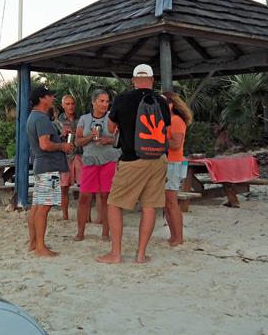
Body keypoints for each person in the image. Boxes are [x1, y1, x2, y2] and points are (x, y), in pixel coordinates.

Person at [97, 64, 171, 264]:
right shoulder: (162, 102)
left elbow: (111, 128)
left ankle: (116, 253)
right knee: (149, 206)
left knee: (114, 203)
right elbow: (167, 130)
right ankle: (140, 255)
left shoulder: (122, 99)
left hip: (132, 159)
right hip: (158, 159)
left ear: (133, 80)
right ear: (152, 80)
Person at [26, 87, 73, 257]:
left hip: (40, 165)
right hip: (49, 168)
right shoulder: (42, 119)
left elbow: (43, 143)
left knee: (37, 206)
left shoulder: (33, 117)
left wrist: (59, 137)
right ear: (42, 98)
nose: (53, 97)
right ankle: (40, 247)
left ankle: (34, 244)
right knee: (44, 207)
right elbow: (45, 145)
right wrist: (62, 145)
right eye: (50, 95)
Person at [74, 89, 120, 241]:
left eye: (107, 101)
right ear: (93, 102)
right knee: (84, 197)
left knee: (106, 196)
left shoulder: (112, 118)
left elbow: (120, 139)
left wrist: (109, 140)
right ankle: (80, 232)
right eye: (102, 101)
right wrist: (90, 137)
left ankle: (106, 233)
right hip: (89, 160)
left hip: (109, 160)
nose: (105, 104)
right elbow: (77, 141)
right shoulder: (84, 119)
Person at [162, 91, 192, 247]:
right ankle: (174, 235)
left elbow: (175, 144)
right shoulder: (169, 121)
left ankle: (178, 237)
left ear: (171, 104)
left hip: (173, 164)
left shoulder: (176, 120)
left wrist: (158, 138)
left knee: (171, 201)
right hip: (168, 163)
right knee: (167, 202)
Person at [54, 95, 82, 220]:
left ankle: (86, 216)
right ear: (63, 105)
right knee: (64, 187)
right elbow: (53, 140)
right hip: (64, 157)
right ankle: (65, 216)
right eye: (68, 104)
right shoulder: (57, 122)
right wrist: (62, 135)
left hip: (80, 155)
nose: (70, 106)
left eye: (72, 103)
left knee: (84, 187)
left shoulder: (81, 120)